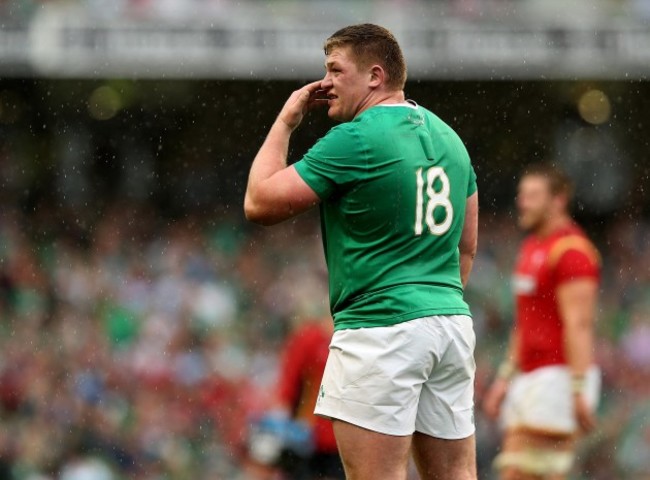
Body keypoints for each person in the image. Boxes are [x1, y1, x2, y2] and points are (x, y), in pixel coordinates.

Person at [245, 23, 479, 480]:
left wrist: (285, 120)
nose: (324, 82)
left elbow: (259, 202)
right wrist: (427, 309)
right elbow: (465, 247)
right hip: (449, 325)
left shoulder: (356, 138)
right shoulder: (451, 138)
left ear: (375, 76)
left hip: (380, 330)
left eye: (335, 70)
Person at [482, 163, 601, 479]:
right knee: (541, 474)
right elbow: (524, 323)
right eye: (522, 195)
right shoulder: (532, 247)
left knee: (516, 469)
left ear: (558, 200)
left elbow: (580, 324)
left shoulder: (572, 252)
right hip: (530, 376)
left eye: (533, 195)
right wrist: (504, 378)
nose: (523, 202)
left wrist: (578, 388)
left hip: (557, 376)